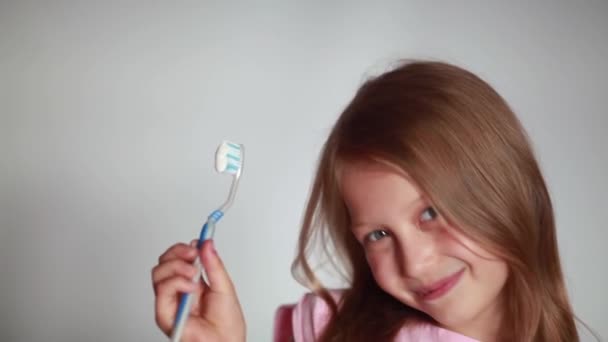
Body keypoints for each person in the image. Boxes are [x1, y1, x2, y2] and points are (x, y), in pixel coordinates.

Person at [151, 61, 582, 341]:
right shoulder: (331, 330)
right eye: (378, 234)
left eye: (430, 213)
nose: (414, 264)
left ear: (506, 192)